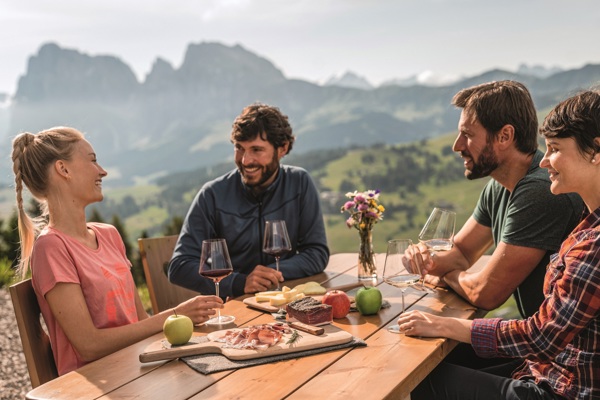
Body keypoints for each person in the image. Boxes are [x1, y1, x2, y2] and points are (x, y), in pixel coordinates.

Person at [399, 90, 600, 399]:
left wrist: (447, 317)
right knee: (433, 361)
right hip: (550, 364)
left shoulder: (581, 232)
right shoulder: (587, 224)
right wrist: (432, 264)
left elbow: (533, 329)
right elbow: (461, 252)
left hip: (566, 385)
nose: (545, 160)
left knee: (421, 380)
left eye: (555, 149)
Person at [11, 127, 223, 376]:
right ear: (63, 169)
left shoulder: (109, 234)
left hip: (139, 367)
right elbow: (88, 346)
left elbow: (141, 321)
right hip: (96, 382)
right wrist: (176, 313)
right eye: (92, 160)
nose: (102, 171)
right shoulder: (51, 248)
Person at [408, 80, 584, 318]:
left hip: (557, 350)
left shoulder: (539, 191)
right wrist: (425, 260)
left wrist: (448, 276)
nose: (456, 146)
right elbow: (461, 251)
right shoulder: (499, 186)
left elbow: (486, 294)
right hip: (538, 340)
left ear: (504, 136)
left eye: (467, 135)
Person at [168, 103, 330, 298]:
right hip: (234, 308)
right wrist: (239, 282)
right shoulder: (212, 195)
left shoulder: (299, 183)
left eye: (256, 150)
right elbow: (179, 266)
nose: (245, 160)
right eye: (239, 148)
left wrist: (269, 274)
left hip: (285, 300)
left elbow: (316, 252)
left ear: (282, 149)